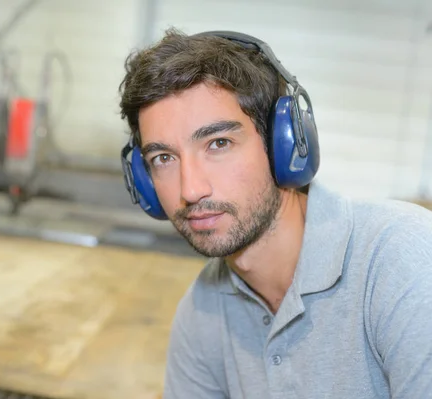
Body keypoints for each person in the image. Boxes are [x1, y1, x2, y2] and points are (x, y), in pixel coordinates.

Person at [117, 28, 432, 398]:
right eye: (163, 158)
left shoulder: (403, 261)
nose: (190, 189)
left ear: (283, 146)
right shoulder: (201, 315)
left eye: (218, 143)